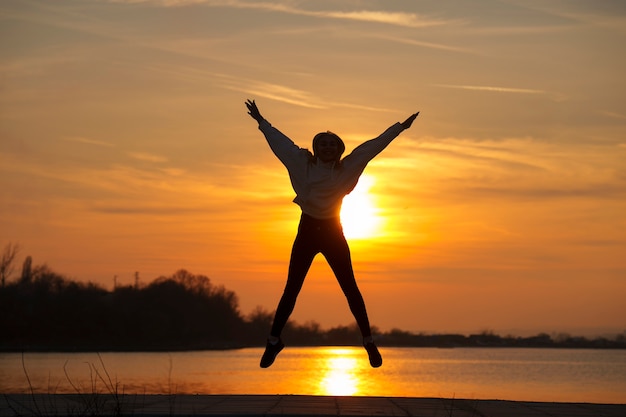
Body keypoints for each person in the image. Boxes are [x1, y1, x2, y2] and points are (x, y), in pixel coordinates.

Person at [245, 99, 419, 368]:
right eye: (322, 144)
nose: (327, 148)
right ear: (315, 149)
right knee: (291, 289)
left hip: (332, 232)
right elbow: (280, 143)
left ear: (338, 150)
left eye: (332, 144)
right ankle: (273, 341)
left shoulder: (347, 168)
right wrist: (261, 121)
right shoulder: (301, 163)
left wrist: (399, 128)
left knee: (350, 288)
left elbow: (372, 148)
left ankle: (369, 341)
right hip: (307, 231)